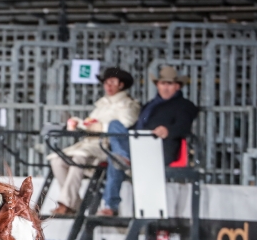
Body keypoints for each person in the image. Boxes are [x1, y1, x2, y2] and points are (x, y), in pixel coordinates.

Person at [99, 66, 198, 215]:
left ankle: (111, 202)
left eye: (169, 84)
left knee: (116, 157)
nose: (165, 87)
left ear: (177, 86)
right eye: (163, 83)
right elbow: (137, 125)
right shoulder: (150, 105)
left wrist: (168, 130)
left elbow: (183, 126)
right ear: (157, 85)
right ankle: (110, 204)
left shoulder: (184, 105)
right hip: (139, 145)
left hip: (158, 148)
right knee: (115, 134)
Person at [48, 67, 140, 216]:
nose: (108, 86)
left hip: (106, 146)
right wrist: (78, 123)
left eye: (112, 82)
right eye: (106, 83)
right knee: (57, 160)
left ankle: (65, 203)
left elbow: (125, 125)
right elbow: (91, 122)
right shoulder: (102, 104)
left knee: (79, 158)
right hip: (89, 144)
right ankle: (74, 203)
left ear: (121, 85)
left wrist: (100, 127)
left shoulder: (129, 105)